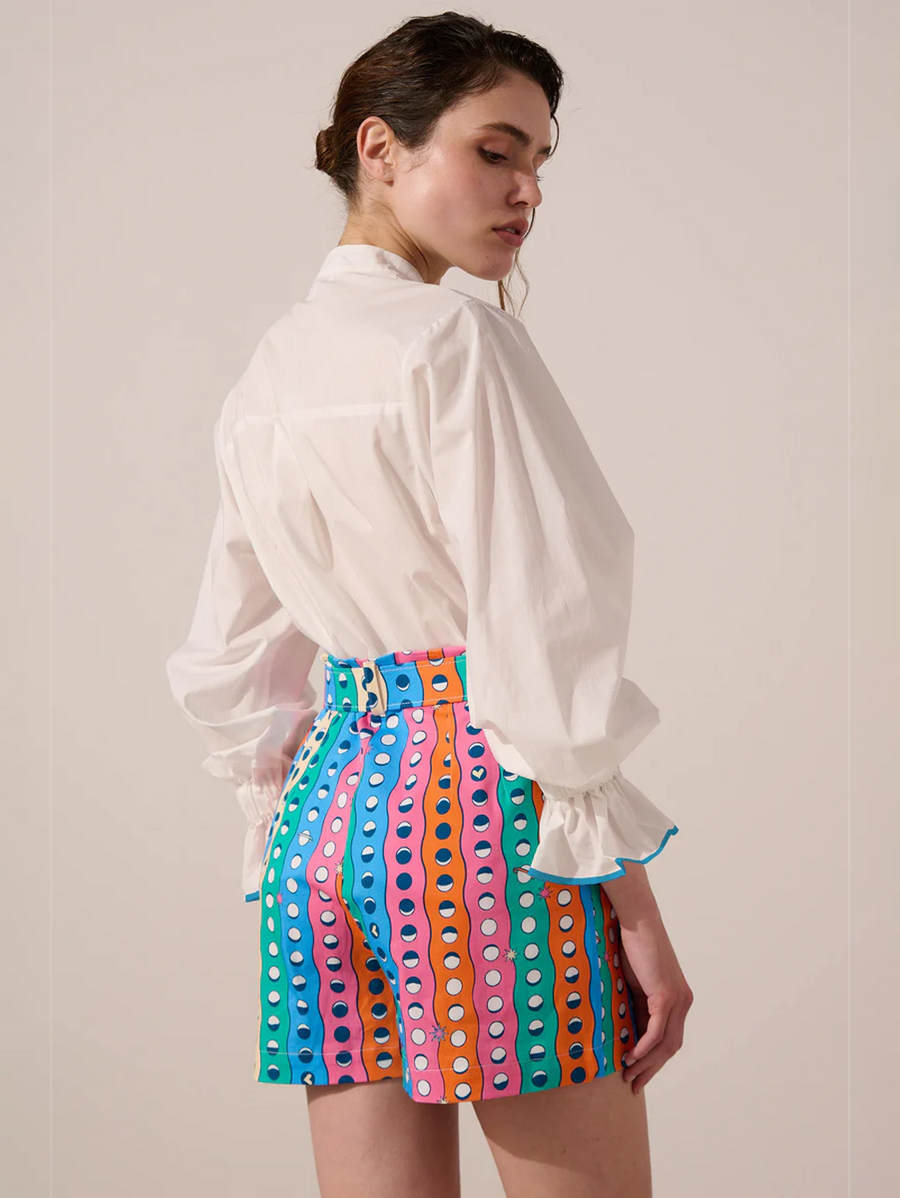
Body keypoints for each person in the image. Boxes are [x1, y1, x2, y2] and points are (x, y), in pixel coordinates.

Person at [165, 12, 692, 1197]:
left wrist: (295, 817)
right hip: (486, 822)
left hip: (321, 829)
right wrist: (634, 908)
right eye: (496, 151)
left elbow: (233, 652)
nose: (527, 190)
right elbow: (539, 634)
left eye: (540, 162)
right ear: (380, 147)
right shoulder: (457, 338)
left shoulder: (269, 371)